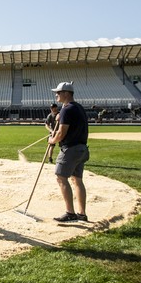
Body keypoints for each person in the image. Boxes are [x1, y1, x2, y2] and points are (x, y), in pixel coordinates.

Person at [48, 81, 90, 222]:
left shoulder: (66, 110)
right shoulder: (77, 107)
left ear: (66, 93)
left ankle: (70, 213)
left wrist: (52, 141)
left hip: (70, 149)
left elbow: (61, 133)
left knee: (61, 178)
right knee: (77, 180)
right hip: (82, 148)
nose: (56, 95)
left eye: (58, 93)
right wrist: (60, 118)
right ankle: (82, 214)